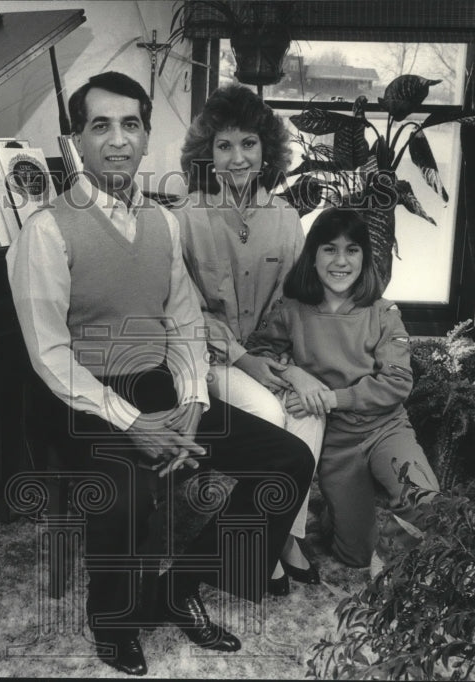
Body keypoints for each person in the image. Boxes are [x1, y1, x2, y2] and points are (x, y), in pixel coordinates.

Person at [7, 71, 314, 677]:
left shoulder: (163, 224)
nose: (117, 140)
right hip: (79, 400)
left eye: (130, 125)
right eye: (101, 126)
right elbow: (49, 355)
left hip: (157, 386)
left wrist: (194, 400)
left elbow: (183, 324)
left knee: (287, 459)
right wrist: (133, 424)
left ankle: (182, 585)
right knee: (121, 492)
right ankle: (113, 621)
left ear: (147, 136)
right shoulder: (46, 229)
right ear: (76, 140)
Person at [174, 84, 320, 595]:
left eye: (249, 144)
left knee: (310, 408)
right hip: (211, 362)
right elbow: (185, 310)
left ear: (267, 152)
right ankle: (255, 548)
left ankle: (283, 536)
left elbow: (298, 306)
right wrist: (241, 358)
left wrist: (291, 365)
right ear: (207, 154)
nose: (238, 158)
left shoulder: (286, 219)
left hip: (271, 354)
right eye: (224, 145)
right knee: (272, 415)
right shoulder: (185, 217)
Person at [247, 207, 439, 573]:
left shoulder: (383, 313)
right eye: (329, 249)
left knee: (427, 504)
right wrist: (292, 374)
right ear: (313, 256)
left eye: (352, 250)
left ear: (364, 257)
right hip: (337, 444)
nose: (340, 260)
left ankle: (389, 499)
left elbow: (397, 382)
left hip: (385, 429)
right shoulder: (292, 310)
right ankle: (339, 514)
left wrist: (331, 398)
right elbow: (259, 352)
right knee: (355, 557)